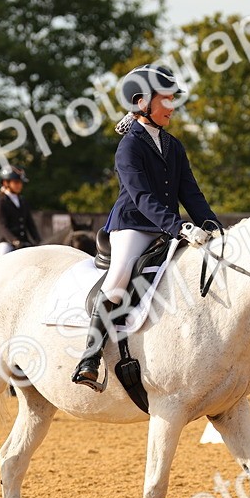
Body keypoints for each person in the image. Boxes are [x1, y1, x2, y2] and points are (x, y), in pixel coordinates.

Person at [71, 64, 222, 390]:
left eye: (172, 99)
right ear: (142, 102)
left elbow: (191, 194)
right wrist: (179, 227)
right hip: (134, 226)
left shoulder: (173, 145)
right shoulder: (130, 146)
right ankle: (90, 356)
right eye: (165, 100)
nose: (171, 106)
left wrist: (214, 227)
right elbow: (142, 197)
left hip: (168, 227)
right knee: (118, 280)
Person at [0, 166, 40, 256]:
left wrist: (38, 240)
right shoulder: (1, 202)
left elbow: (30, 224)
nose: (19, 185)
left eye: (20, 183)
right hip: (7, 243)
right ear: (5, 183)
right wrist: (14, 241)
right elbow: (2, 226)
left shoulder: (23, 201)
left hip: (24, 242)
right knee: (2, 257)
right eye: (16, 182)